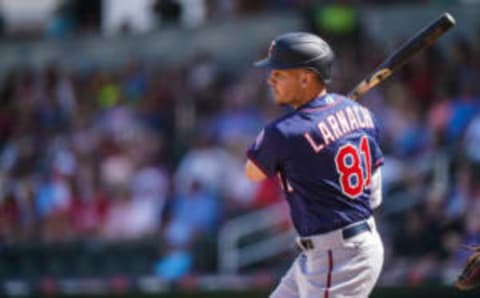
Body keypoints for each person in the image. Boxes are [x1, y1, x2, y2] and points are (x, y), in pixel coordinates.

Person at [245, 32, 385, 298]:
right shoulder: (363, 114)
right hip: (332, 250)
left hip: (340, 256)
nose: (270, 79)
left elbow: (252, 173)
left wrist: (277, 139)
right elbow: (374, 196)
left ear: (306, 78)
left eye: (279, 73)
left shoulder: (284, 132)